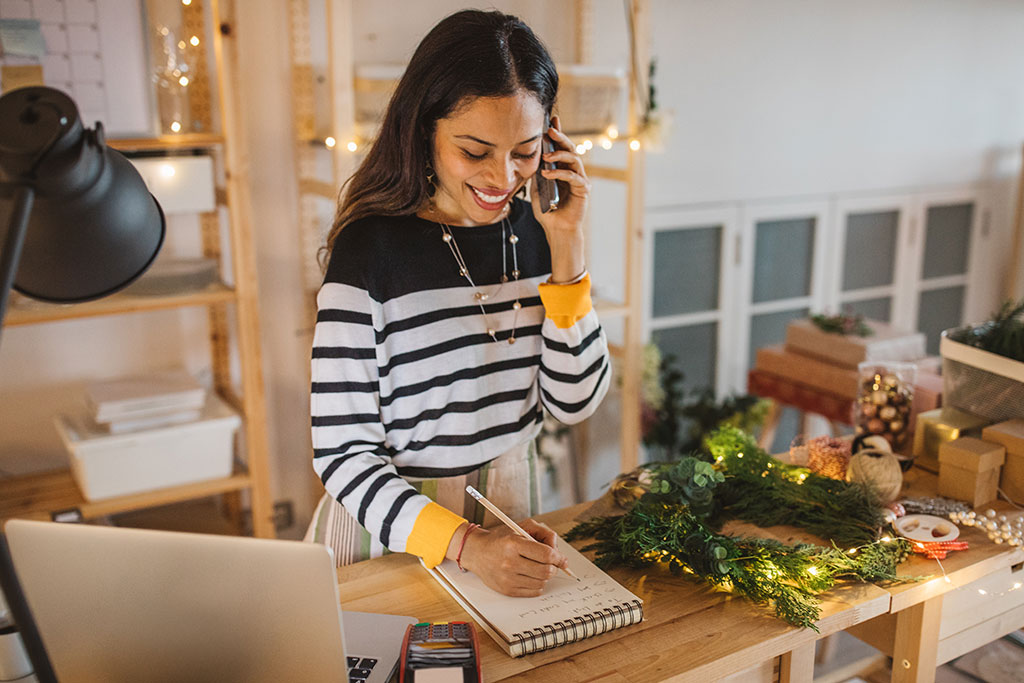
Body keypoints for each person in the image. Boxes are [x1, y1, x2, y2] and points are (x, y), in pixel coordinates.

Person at [308, 9, 610, 598]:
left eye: (525, 152)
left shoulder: (538, 231)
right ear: (425, 130)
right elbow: (343, 452)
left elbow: (575, 402)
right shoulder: (368, 251)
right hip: (393, 530)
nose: (503, 177)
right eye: (475, 152)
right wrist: (468, 547)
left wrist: (568, 247)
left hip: (509, 509)